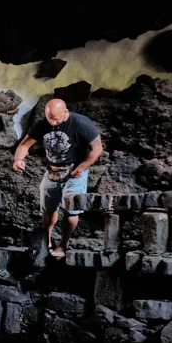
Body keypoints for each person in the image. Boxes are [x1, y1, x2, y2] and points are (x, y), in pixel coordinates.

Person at [13, 98, 103, 259]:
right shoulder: (42, 125)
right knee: (48, 209)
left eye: (57, 119)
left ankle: (63, 244)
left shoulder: (81, 123)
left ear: (66, 112)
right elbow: (24, 145)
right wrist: (19, 160)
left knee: (71, 209)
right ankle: (45, 242)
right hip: (53, 170)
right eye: (50, 119)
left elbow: (97, 148)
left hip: (74, 171)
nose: (53, 123)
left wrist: (81, 168)